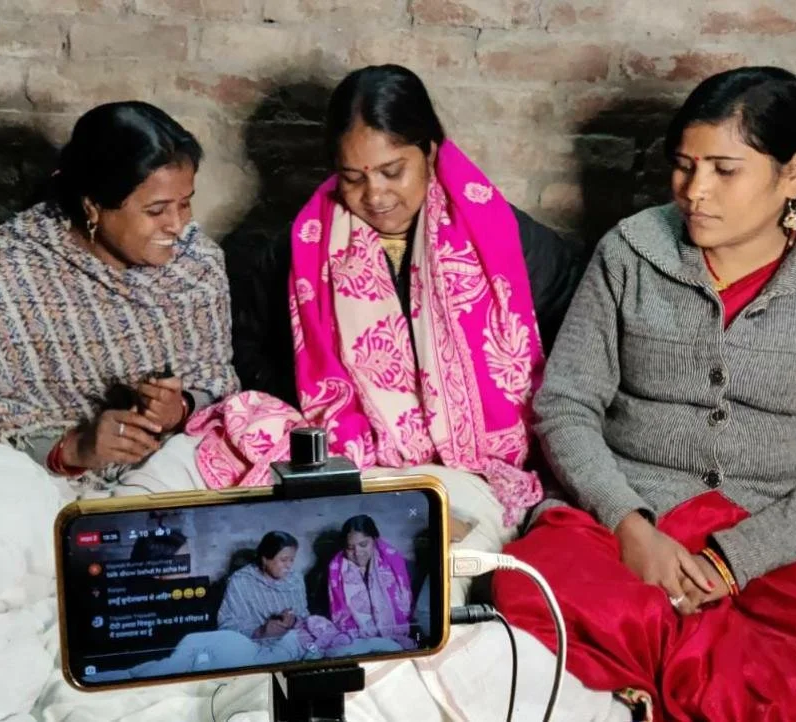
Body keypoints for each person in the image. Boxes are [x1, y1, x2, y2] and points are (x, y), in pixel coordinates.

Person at [492, 67, 796, 720]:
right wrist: (628, 522)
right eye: (684, 166)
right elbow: (567, 404)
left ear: (793, 174)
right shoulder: (631, 252)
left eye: (725, 170)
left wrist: (734, 561)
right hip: (625, 529)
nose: (694, 192)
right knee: (524, 601)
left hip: (789, 544)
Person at [191, 65, 581, 595]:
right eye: (353, 177)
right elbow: (252, 349)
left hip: (474, 470)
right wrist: (330, 408)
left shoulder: (506, 243)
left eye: (392, 171)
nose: (375, 195)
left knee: (430, 585)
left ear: (432, 150)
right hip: (352, 460)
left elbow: (572, 357)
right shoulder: (300, 249)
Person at [0, 101, 239, 488]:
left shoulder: (196, 262)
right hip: (40, 488)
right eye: (156, 210)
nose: (177, 225)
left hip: (173, 479)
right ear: (93, 208)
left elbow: (221, 385)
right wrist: (73, 448)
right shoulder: (10, 276)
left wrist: (180, 407)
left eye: (184, 204)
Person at [327, 515, 415, 650]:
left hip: (395, 633)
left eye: (363, 545)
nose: (357, 552)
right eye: (350, 547)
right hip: (357, 637)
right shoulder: (336, 568)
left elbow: (404, 603)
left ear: (374, 539)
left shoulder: (392, 560)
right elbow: (340, 614)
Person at [217, 531, 309, 641]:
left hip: (292, 642)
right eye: (283, 560)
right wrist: (261, 632)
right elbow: (227, 625)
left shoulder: (295, 579)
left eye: (292, 560)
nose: (289, 565)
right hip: (253, 646)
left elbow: (305, 616)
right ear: (265, 559)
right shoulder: (241, 581)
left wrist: (293, 621)